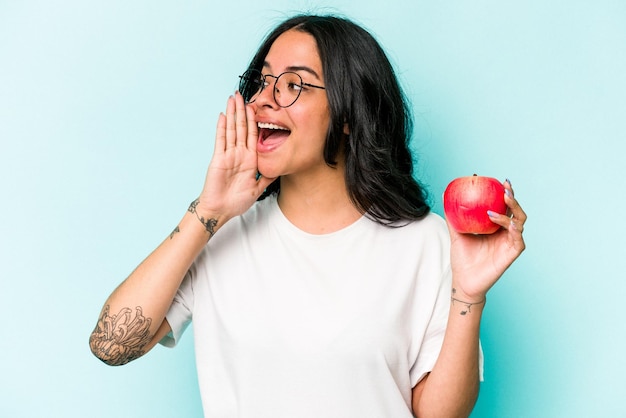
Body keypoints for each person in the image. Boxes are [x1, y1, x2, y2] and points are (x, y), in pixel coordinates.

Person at [89, 13, 526, 418]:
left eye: (294, 84)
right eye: (261, 82)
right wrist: (208, 211)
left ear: (350, 115)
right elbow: (111, 345)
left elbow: (438, 413)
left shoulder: (428, 241)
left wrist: (469, 295)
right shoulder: (218, 234)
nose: (263, 100)